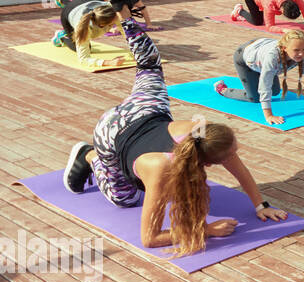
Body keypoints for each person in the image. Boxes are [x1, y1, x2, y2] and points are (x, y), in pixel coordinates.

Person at [61, 17, 286, 256]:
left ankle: (125, 18)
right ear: (208, 162)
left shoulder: (203, 132)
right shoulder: (162, 168)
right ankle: (90, 157)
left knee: (150, 67)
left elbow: (240, 171)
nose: (234, 158)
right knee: (124, 199)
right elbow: (150, 238)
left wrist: (261, 206)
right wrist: (206, 230)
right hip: (111, 131)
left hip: (146, 109)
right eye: (230, 155)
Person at [213, 29, 304, 126]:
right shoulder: (272, 58)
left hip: (262, 52)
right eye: (296, 50)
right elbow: (264, 86)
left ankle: (259, 73)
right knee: (255, 97)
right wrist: (268, 115)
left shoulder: (303, 56)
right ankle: (222, 90)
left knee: (276, 92)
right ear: (284, 48)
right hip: (245, 57)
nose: (301, 53)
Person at [50, 0, 131, 68]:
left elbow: (126, 32)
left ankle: (62, 0)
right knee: (81, 48)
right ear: (102, 25)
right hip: (69, 11)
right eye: (112, 24)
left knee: (76, 5)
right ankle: (62, 37)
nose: (115, 24)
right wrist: (108, 63)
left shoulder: (111, 10)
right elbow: (83, 59)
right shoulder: (82, 27)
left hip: (91, 0)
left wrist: (135, 50)